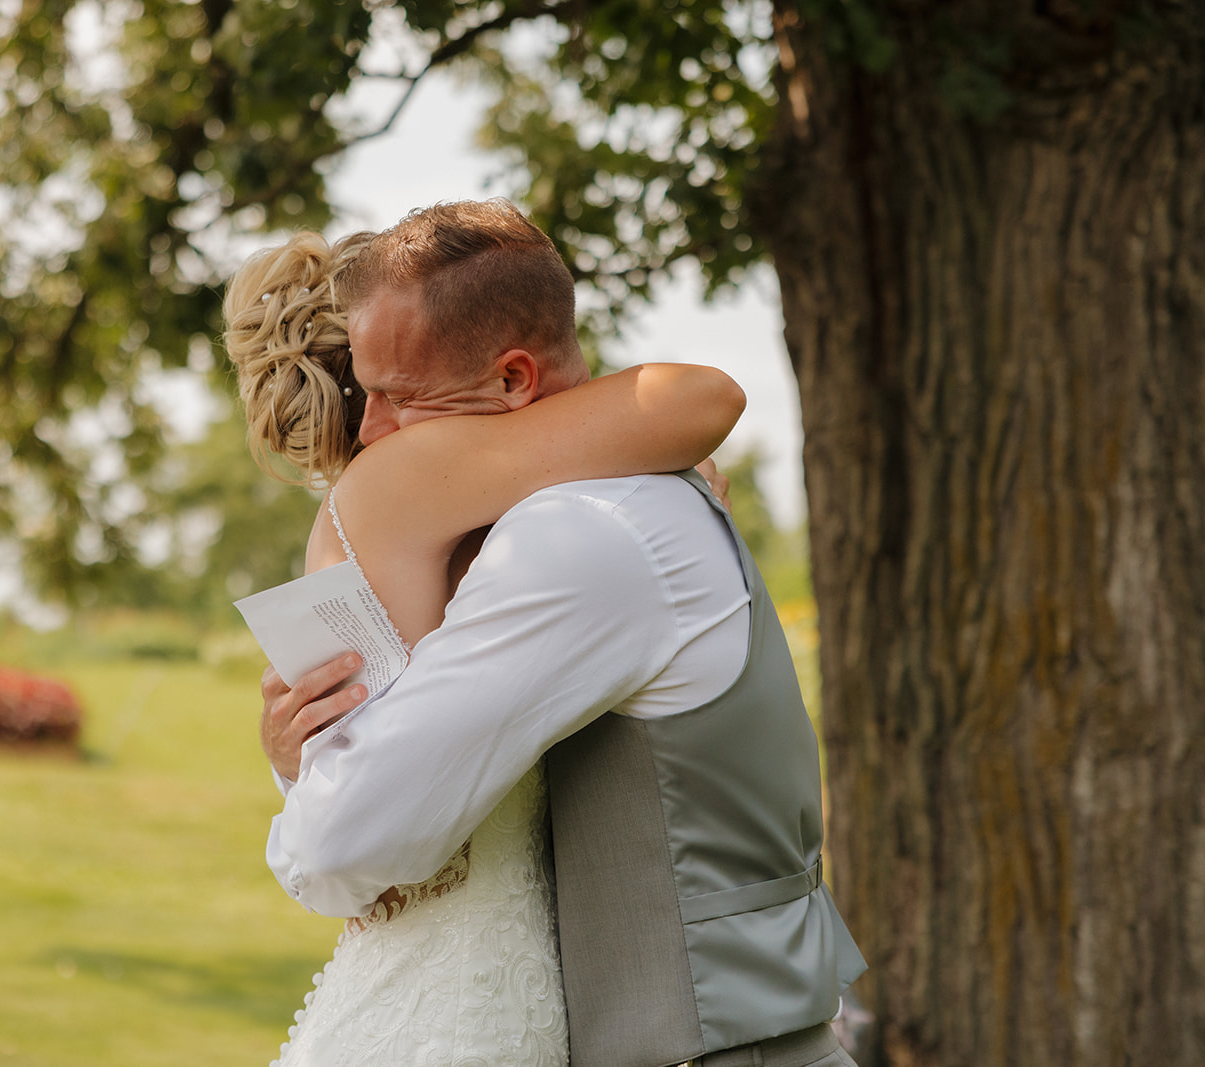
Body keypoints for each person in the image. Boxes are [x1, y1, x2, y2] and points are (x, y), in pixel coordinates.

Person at [262, 199, 867, 1067]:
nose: (372, 432)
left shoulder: (578, 537)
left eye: (398, 396)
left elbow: (345, 846)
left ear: (513, 382)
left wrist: (305, 790)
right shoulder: (607, 504)